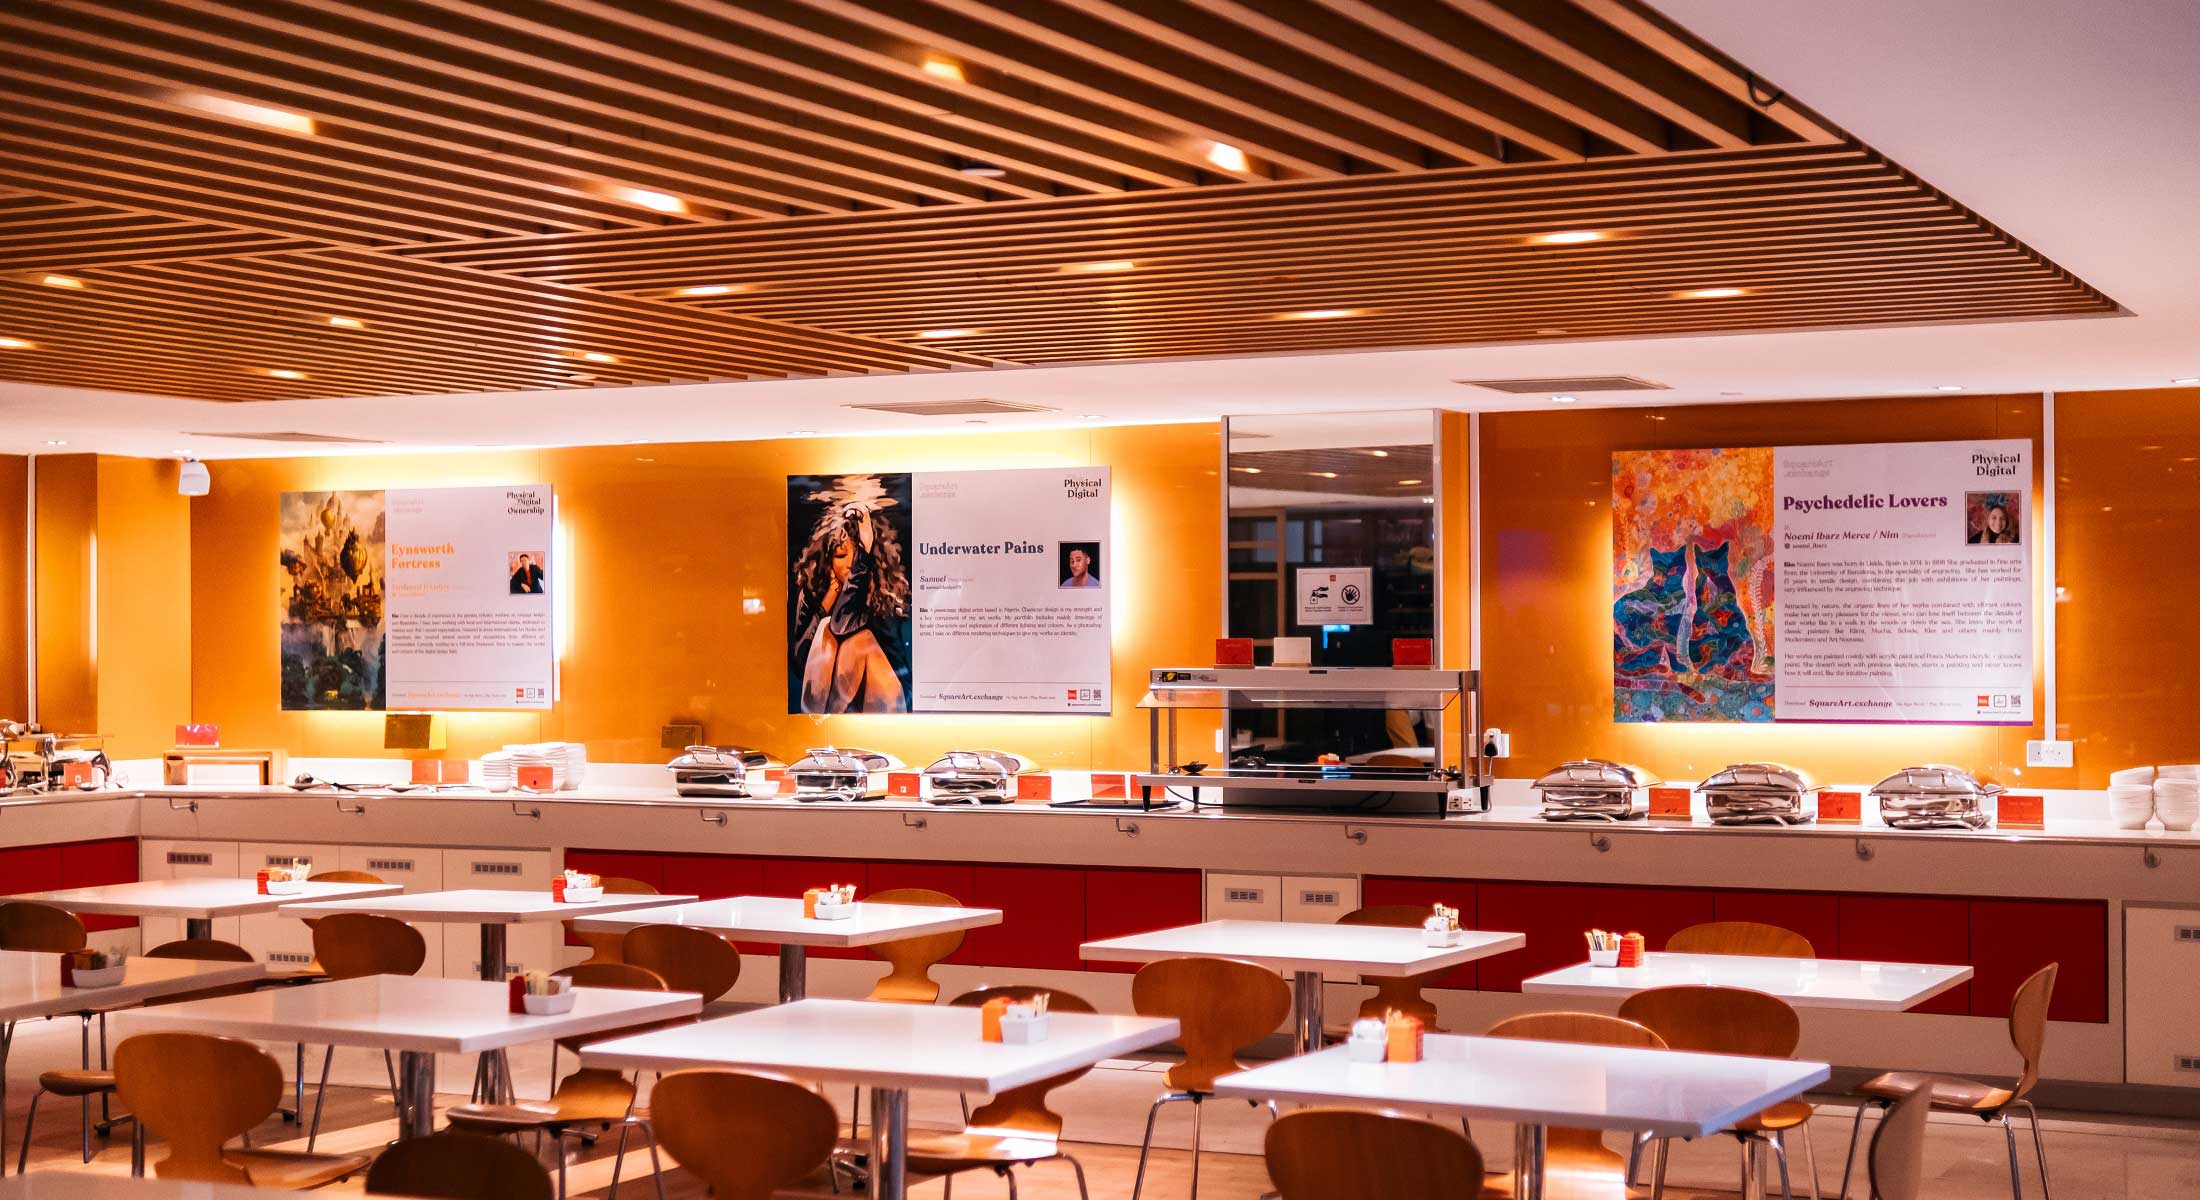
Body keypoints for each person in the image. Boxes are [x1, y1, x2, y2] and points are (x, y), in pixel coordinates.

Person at [791, 481, 910, 714]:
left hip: (887, 700)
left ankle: (824, 725)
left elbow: (842, 623)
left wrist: (863, 557)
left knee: (858, 640)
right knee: (827, 629)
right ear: (826, 559)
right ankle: (823, 724)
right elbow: (800, 660)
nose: (848, 566)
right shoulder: (813, 589)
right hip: (840, 703)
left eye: (856, 557)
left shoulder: (880, 591)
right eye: (841, 555)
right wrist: (828, 598)